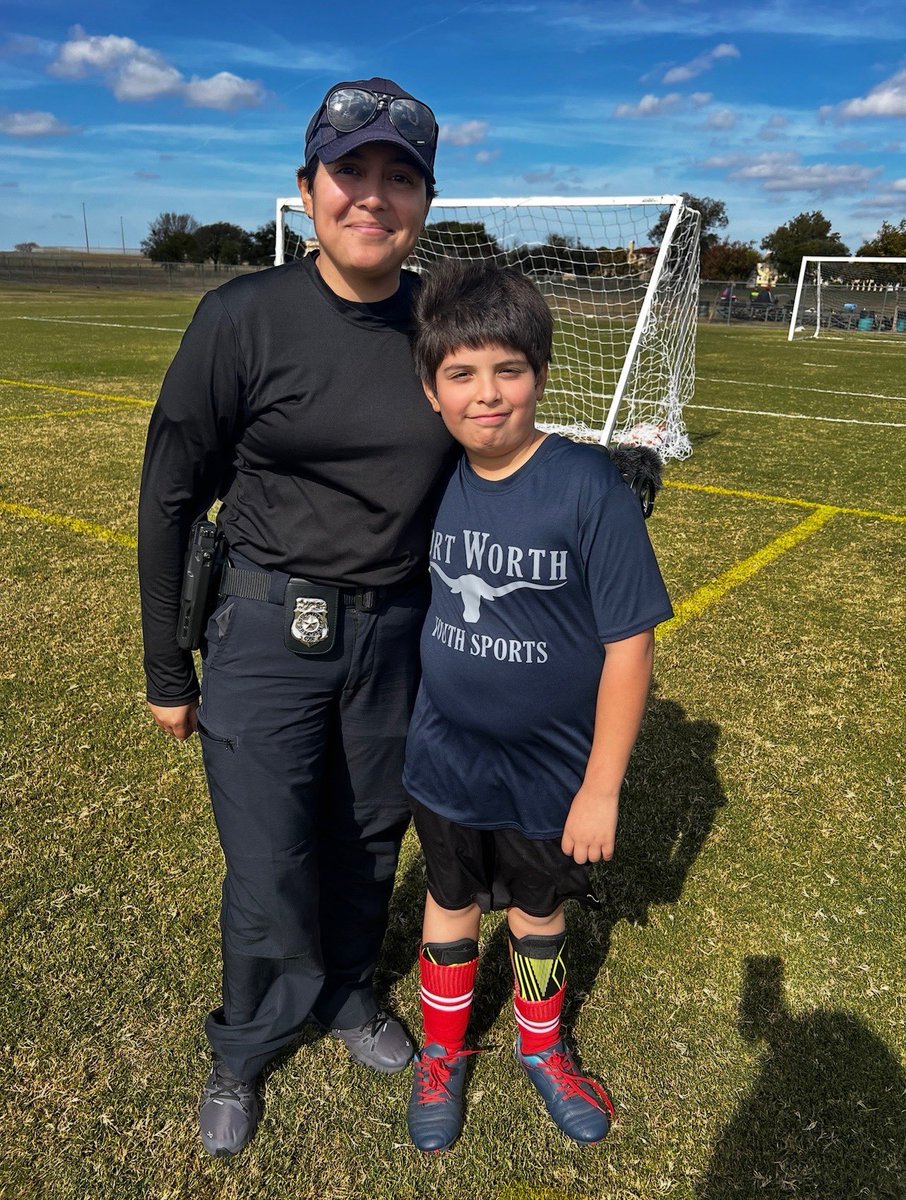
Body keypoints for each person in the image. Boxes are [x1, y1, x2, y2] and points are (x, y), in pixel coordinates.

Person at [137, 77, 455, 1158]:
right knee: (270, 855)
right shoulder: (242, 317)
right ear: (306, 189)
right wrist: (167, 667)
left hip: (398, 634)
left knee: (368, 837)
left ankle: (349, 993)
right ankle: (244, 1041)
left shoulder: (440, 326)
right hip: (267, 631)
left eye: (398, 176)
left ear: (425, 198)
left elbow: (497, 454)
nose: (373, 197)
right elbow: (172, 492)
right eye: (350, 172)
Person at [402, 261, 673, 1152]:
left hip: (549, 771)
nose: (487, 395)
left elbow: (630, 643)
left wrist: (602, 787)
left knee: (536, 911)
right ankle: (443, 1053)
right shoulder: (428, 480)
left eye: (508, 370)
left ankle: (542, 1048)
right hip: (444, 756)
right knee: (449, 902)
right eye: (462, 374)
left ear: (542, 376)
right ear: (432, 389)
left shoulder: (589, 489)